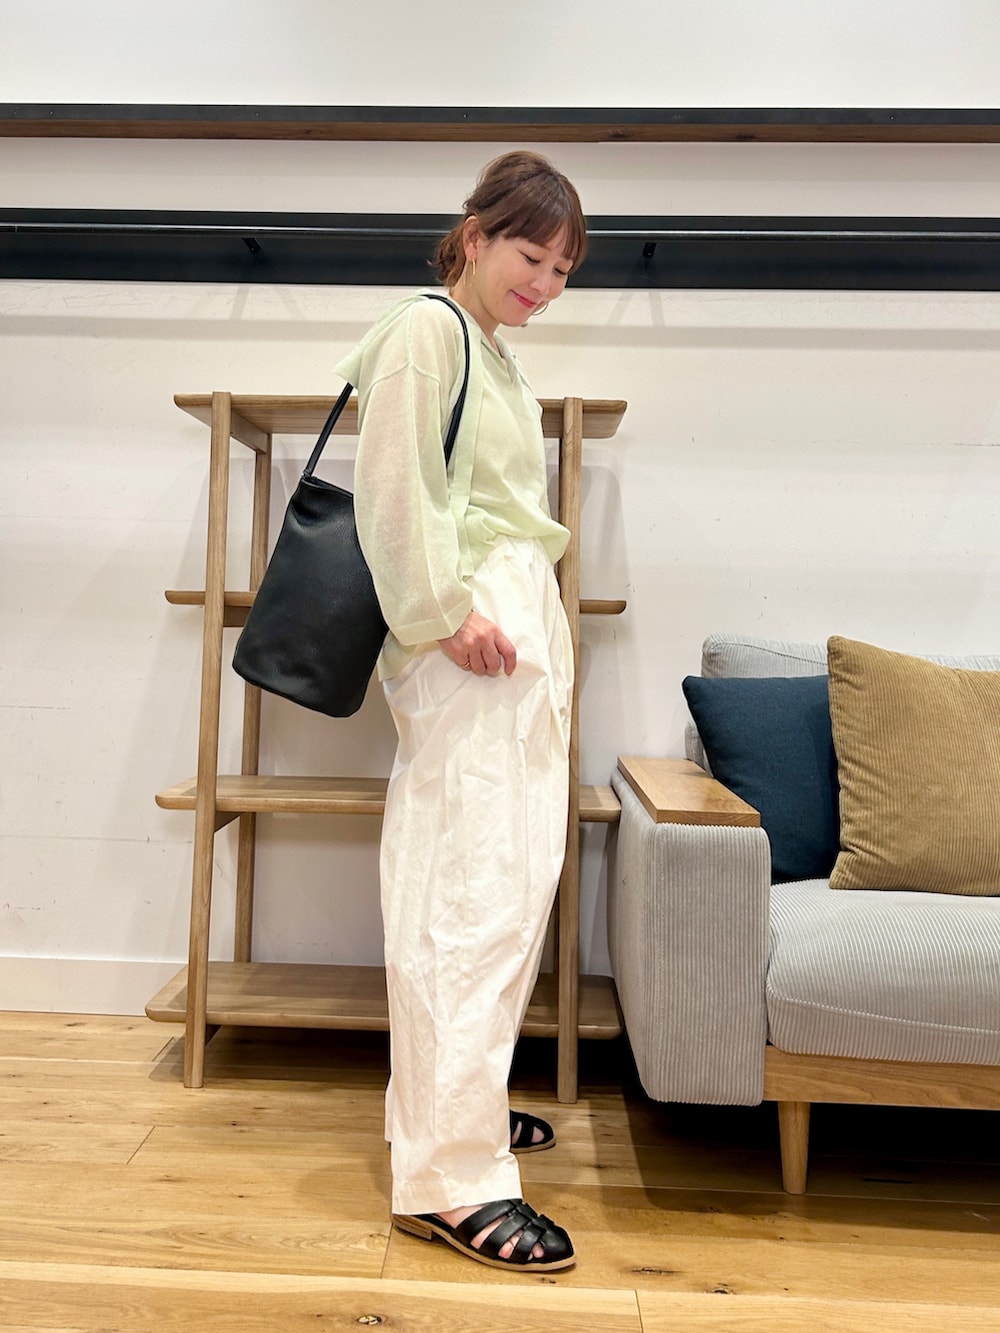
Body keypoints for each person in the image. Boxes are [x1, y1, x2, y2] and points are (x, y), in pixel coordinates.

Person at [334, 151, 587, 1273]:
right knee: (468, 887)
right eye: (532, 256)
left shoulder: (489, 348)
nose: (547, 283)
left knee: (504, 881)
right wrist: (443, 614)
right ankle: (451, 1176)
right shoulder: (426, 331)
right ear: (475, 236)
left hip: (504, 623)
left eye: (564, 270)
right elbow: (394, 486)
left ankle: (453, 1111)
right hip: (470, 633)